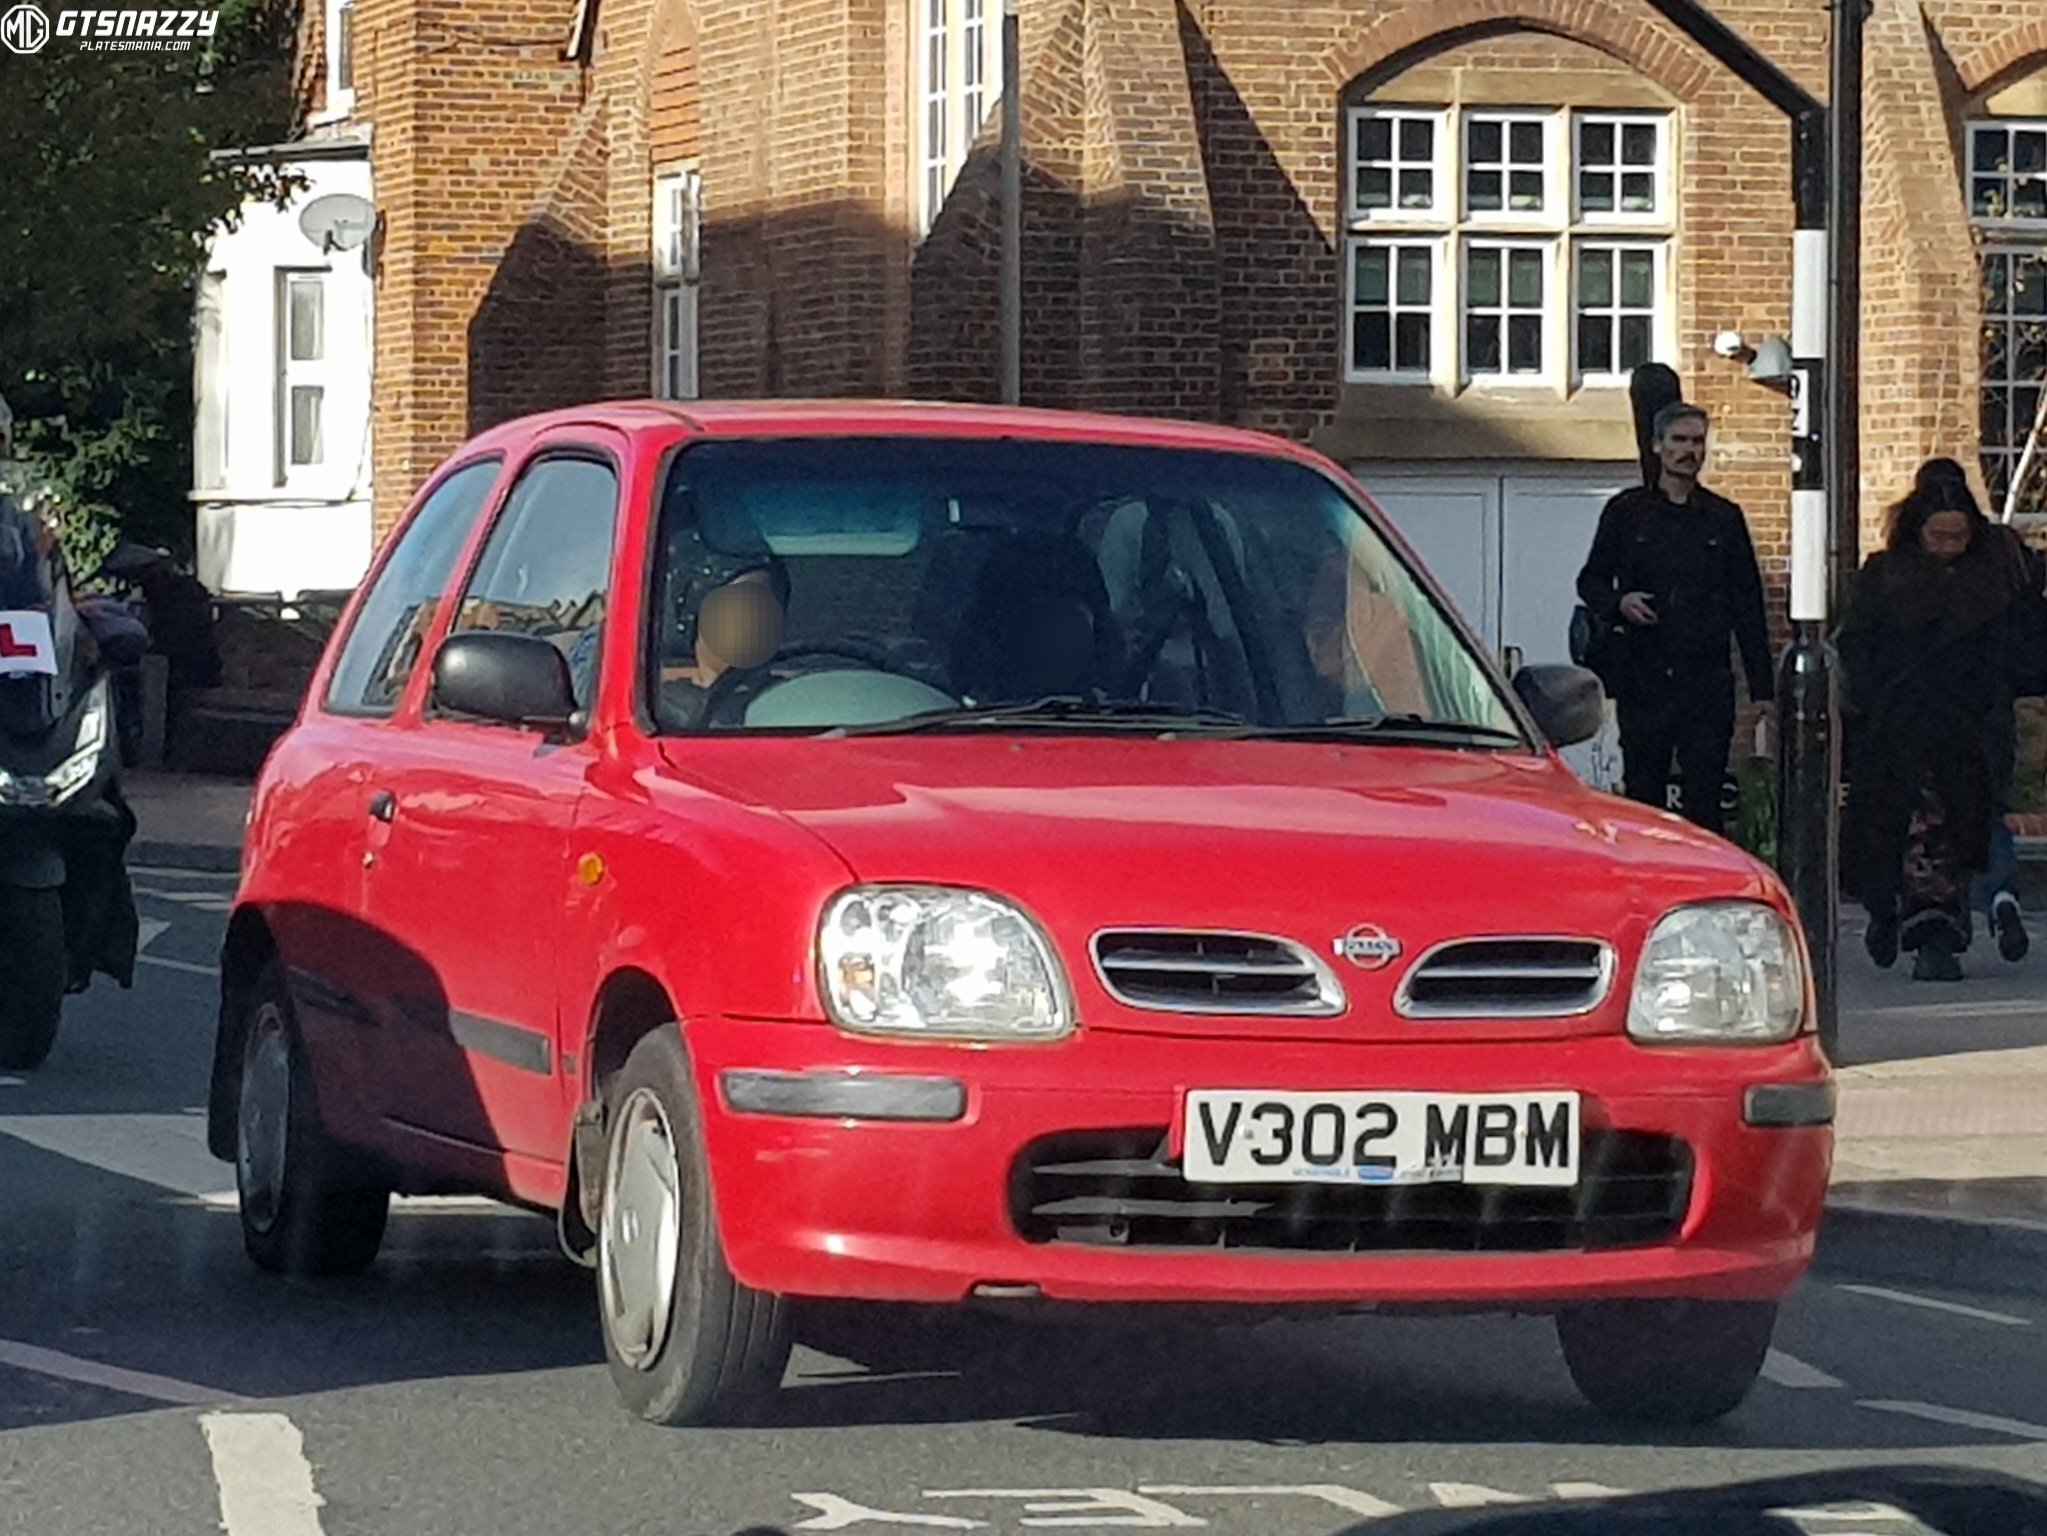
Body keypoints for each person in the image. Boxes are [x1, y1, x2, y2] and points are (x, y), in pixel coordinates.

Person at [1838, 465, 2034, 981]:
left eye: (1958, 537)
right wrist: (1869, 700)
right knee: (1901, 833)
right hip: (1899, 727)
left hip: (1969, 729)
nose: (1948, 546)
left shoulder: (1993, 579)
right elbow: (1857, 644)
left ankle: (1937, 937)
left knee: (1952, 836)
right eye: (1937, 536)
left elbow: (2018, 647)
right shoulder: (1883, 575)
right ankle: (1891, 914)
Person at [1574, 402, 1775, 833]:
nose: (1689, 450)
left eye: (1697, 441)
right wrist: (1619, 603)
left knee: (1705, 794)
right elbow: (1590, 581)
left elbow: (1747, 602)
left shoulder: (1723, 518)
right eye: (1679, 440)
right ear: (1657, 446)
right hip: (1644, 675)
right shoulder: (1626, 512)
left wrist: (1762, 688)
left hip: (1706, 678)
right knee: (1644, 791)